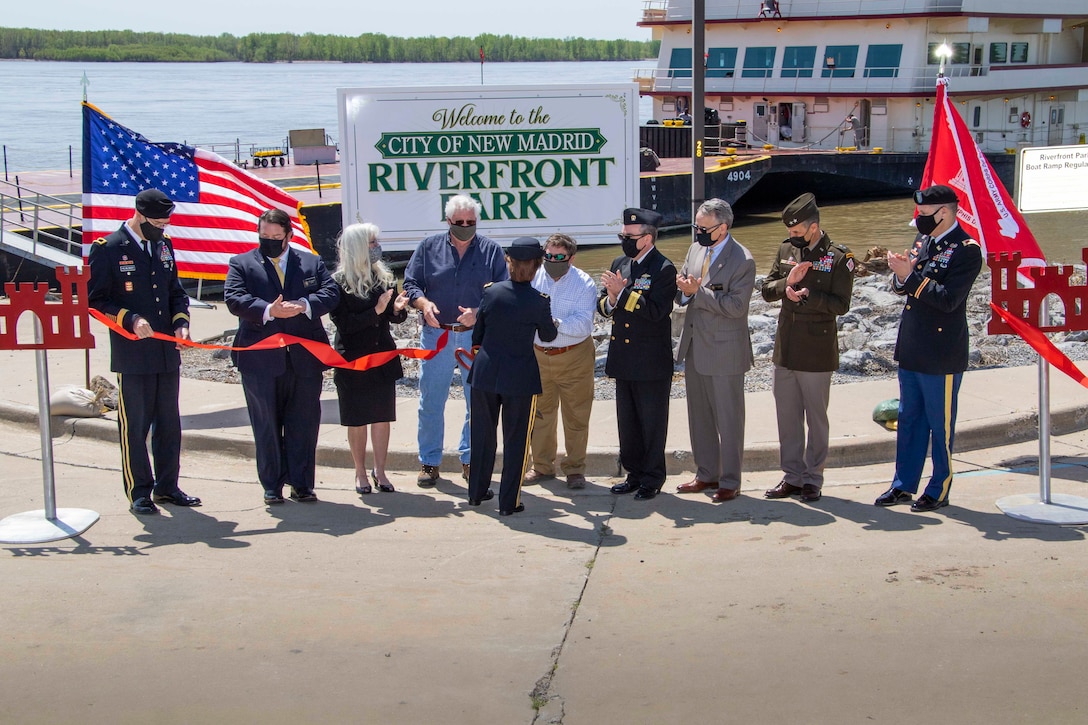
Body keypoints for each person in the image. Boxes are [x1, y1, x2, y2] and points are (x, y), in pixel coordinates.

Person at [87, 188, 200, 515]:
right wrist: (130, 319)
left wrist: (181, 324)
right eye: (157, 222)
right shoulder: (108, 249)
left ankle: (168, 487)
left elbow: (176, 294)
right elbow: (96, 302)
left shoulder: (164, 246)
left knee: (169, 423)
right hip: (132, 354)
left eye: (166, 222)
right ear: (139, 214)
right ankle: (139, 491)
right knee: (135, 426)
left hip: (165, 352)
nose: (162, 228)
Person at [876, 185, 982, 512]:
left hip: (940, 352)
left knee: (940, 425)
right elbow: (905, 287)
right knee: (910, 421)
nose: (918, 221)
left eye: (923, 215)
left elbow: (949, 300)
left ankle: (939, 488)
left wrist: (910, 277)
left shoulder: (967, 250)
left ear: (945, 213)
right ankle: (903, 484)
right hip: (913, 346)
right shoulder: (923, 241)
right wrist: (900, 274)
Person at [224, 208, 340, 506]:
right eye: (265, 236)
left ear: (289, 235)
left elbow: (331, 293)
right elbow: (234, 298)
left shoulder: (310, 262)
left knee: (303, 421)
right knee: (266, 423)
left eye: (277, 236)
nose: (271, 241)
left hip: (304, 359)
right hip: (260, 361)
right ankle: (272, 484)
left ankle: (302, 484)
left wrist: (304, 304)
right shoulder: (242, 263)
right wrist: (268, 310)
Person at [403, 194, 509, 487]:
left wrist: (479, 313)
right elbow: (410, 284)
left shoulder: (491, 251)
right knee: (430, 400)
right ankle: (429, 462)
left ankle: (470, 458)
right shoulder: (428, 248)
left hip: (473, 338)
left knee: (477, 401)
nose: (465, 226)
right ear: (448, 221)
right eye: (459, 222)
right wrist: (423, 304)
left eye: (471, 222)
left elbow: (502, 292)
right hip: (436, 336)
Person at [761, 193, 854, 503]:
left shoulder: (839, 257)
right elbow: (767, 289)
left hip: (816, 349)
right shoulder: (787, 250)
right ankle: (792, 476)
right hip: (786, 347)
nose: (792, 236)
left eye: (797, 231)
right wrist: (786, 285)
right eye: (790, 231)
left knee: (816, 418)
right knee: (787, 417)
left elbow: (841, 305)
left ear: (813, 227)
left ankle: (813, 477)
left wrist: (806, 296)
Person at [466, 237, 558, 515]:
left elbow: (478, 334)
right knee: (516, 440)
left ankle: (477, 492)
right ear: (537, 266)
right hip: (519, 377)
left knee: (481, 435)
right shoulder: (539, 300)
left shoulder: (491, 292)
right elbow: (548, 336)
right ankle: (508, 502)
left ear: (510, 263)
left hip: (485, 373)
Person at [674, 198, 755, 503]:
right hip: (695, 345)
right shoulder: (696, 248)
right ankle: (706, 473)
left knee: (728, 419)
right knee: (700, 417)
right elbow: (685, 284)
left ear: (723, 227)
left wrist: (699, 293)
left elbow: (736, 307)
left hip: (725, 351)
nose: (699, 232)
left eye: (704, 227)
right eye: (697, 226)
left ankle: (730, 481)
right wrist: (682, 289)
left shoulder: (742, 260)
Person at [599, 208, 678, 501]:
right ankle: (633, 473)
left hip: (650, 360)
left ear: (646, 238)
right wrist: (611, 298)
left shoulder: (663, 268)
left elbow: (657, 311)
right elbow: (605, 306)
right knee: (628, 422)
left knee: (652, 422)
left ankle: (652, 478)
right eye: (623, 235)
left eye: (629, 236)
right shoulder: (621, 263)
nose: (624, 240)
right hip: (624, 358)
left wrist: (624, 295)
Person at [329, 223, 409, 496]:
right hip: (352, 361)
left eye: (377, 242)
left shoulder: (384, 278)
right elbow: (345, 324)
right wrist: (376, 309)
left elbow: (393, 319)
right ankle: (360, 472)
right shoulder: (337, 283)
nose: (377, 247)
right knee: (357, 419)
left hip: (382, 359)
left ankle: (381, 470)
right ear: (358, 248)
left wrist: (397, 310)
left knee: (382, 417)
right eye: (372, 243)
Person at [524, 233, 599, 491]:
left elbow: (583, 325)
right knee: (541, 414)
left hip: (574, 356)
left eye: (559, 257)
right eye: (548, 256)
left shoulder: (584, 283)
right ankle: (542, 466)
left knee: (576, 416)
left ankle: (575, 468)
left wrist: (553, 323)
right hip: (537, 356)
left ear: (571, 258)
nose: (552, 260)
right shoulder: (532, 277)